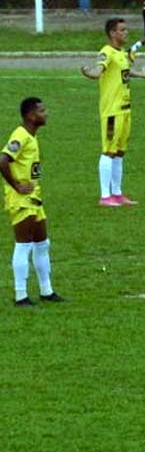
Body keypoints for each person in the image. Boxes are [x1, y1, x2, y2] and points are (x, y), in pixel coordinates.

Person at [81, 18, 145, 207]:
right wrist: (92, 73)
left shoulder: (121, 54)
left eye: (126, 29)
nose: (126, 33)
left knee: (120, 153)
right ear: (113, 33)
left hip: (125, 109)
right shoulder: (106, 52)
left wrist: (141, 75)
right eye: (122, 30)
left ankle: (118, 193)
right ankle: (105, 196)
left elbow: (124, 73)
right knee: (108, 151)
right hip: (112, 111)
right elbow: (100, 68)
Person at [0, 98, 63, 306]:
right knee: (24, 244)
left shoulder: (31, 136)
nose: (46, 113)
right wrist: (17, 185)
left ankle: (47, 291)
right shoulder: (20, 135)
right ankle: (21, 295)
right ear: (30, 115)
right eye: (41, 111)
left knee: (42, 243)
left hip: (34, 198)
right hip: (21, 200)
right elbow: (3, 160)